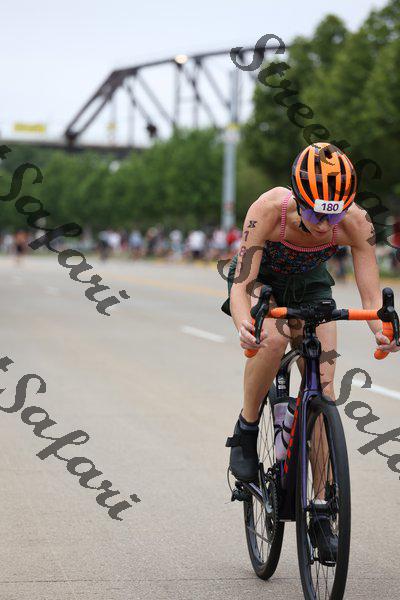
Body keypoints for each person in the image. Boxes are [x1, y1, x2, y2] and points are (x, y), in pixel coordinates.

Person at [222, 142, 400, 562]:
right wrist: (243, 324)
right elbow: (242, 284)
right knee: (272, 340)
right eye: (317, 213)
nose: (325, 224)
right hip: (262, 282)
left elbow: (371, 296)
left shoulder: (356, 221)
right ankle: (247, 429)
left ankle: (321, 507)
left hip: (310, 285)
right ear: (298, 199)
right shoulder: (269, 209)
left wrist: (383, 330)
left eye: (334, 215)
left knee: (323, 388)